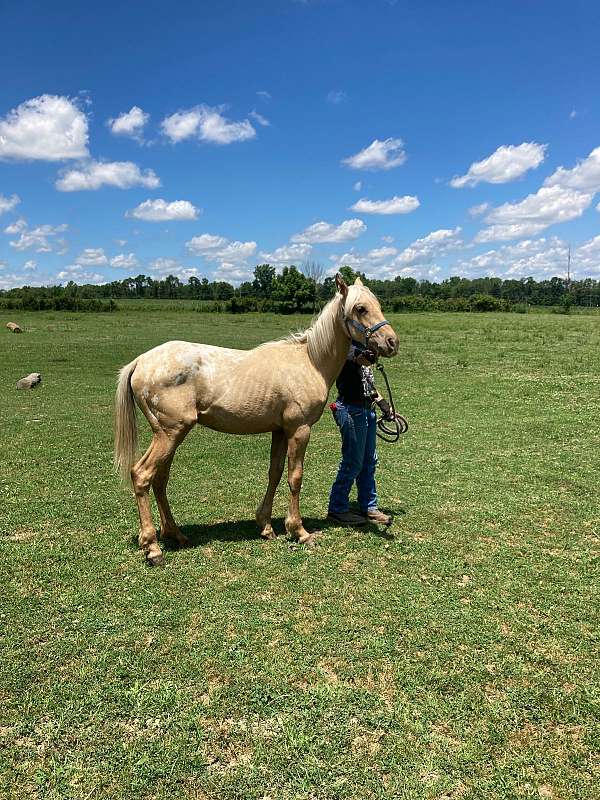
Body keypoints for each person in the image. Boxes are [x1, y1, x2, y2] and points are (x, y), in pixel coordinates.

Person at [327, 342, 399, 526]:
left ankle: (369, 506)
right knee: (353, 461)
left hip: (367, 409)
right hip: (351, 410)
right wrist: (373, 353)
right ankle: (337, 508)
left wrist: (383, 404)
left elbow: (368, 384)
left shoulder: (362, 346)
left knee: (369, 461)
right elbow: (360, 359)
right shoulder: (346, 347)